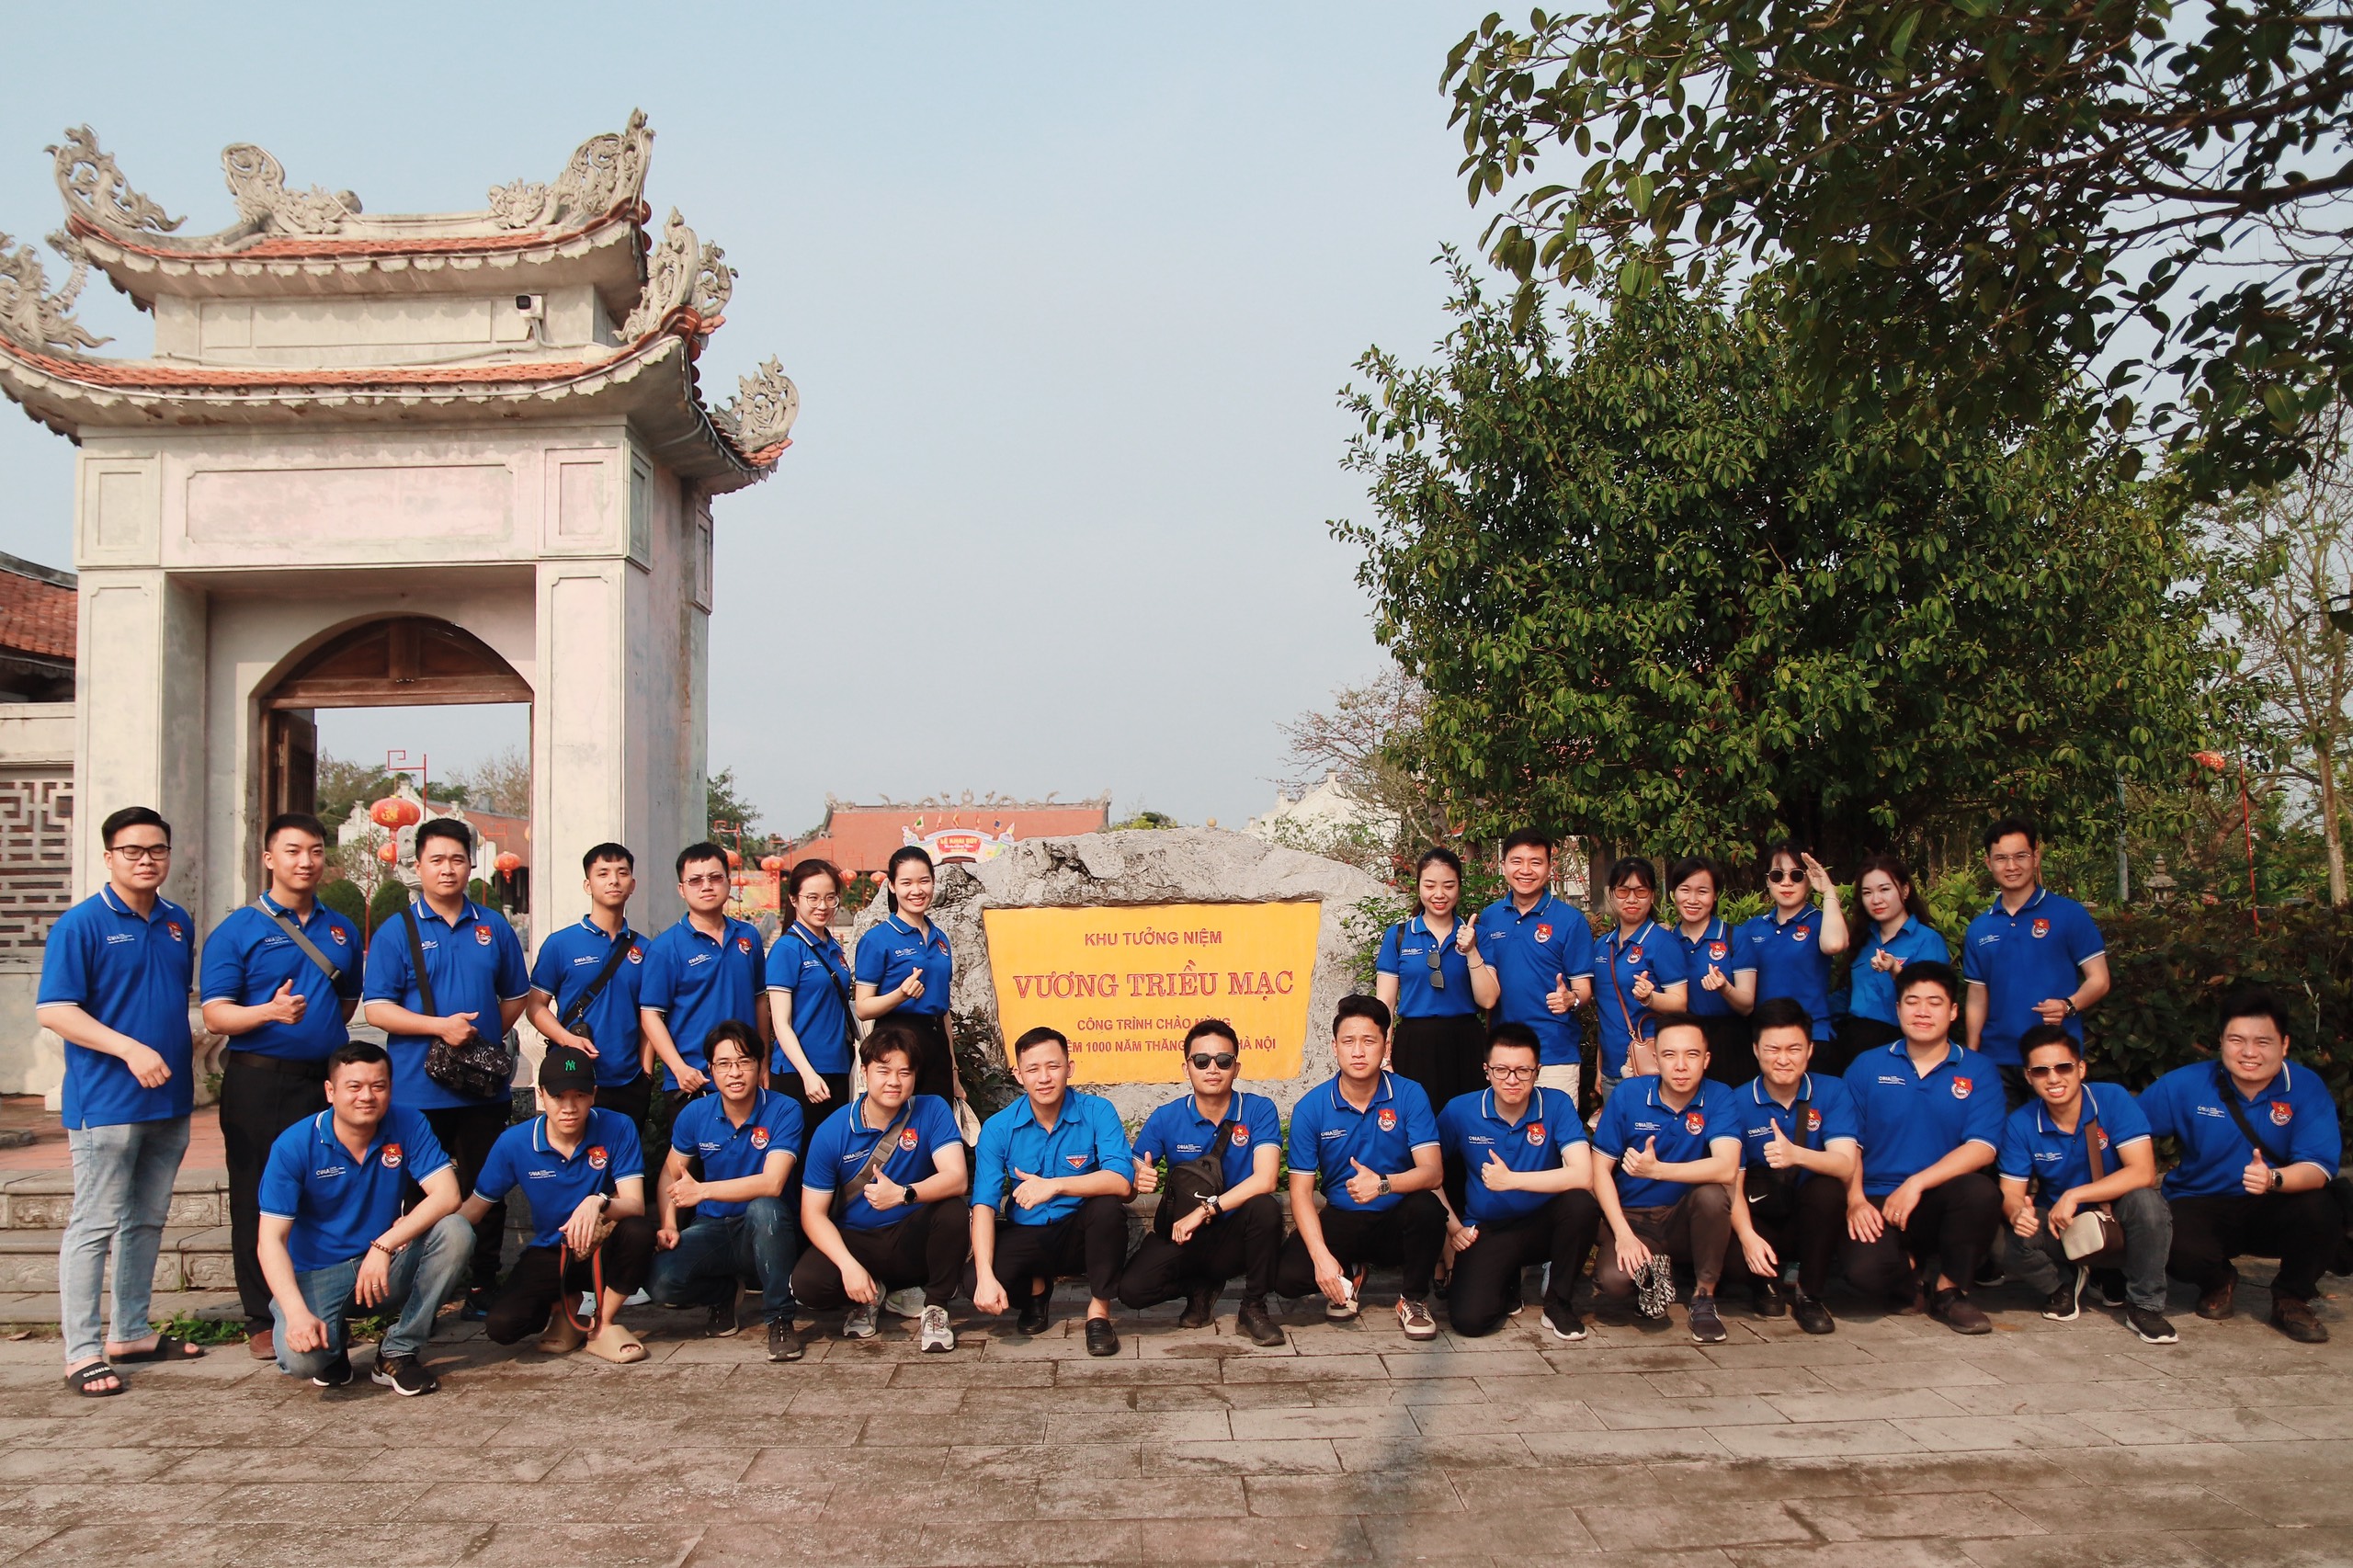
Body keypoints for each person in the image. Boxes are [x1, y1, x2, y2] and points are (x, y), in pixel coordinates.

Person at [40, 806, 203, 1396]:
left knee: (147, 1219)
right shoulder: (80, 925)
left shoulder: (177, 921)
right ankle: (81, 1351)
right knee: (95, 1222)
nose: (145, 860)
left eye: (156, 850)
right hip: (106, 1101)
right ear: (109, 856)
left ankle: (131, 1331)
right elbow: (55, 1011)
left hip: (170, 1098)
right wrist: (129, 1049)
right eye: (132, 851)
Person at [198, 810, 363, 1358]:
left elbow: (345, 1002)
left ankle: (321, 1300)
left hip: (324, 1084)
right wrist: (268, 1013)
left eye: (315, 851)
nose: (305, 861)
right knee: (257, 1196)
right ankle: (259, 1315)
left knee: (323, 1190)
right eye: (292, 851)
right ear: (269, 858)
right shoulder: (238, 930)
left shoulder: (341, 928)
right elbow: (216, 1015)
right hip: (259, 1083)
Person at [358, 817, 531, 1311]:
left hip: (482, 1089)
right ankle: (421, 1291)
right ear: (418, 867)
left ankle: (482, 1283)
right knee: (419, 1193)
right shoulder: (398, 931)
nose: (447, 869)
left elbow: (516, 995)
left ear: (470, 864)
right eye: (436, 860)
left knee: (487, 1186)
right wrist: (441, 1029)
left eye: (457, 859)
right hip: (417, 1090)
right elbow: (377, 1009)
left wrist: (480, 1041)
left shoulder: (492, 925)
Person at [256, 1041, 473, 1395]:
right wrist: (296, 1313)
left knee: (456, 1231)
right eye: (354, 1086)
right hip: (317, 1273)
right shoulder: (294, 1145)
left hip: (383, 1266)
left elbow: (448, 1194)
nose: (367, 1096)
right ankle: (333, 1344)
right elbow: (270, 1241)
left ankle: (398, 1351)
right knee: (303, 1361)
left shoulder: (407, 1121)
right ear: (330, 1091)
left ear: (390, 1088)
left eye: (378, 1086)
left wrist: (384, 1245)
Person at [2140, 986, 2345, 1344]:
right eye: (2237, 1040)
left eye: (2263, 1042)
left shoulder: (2306, 1087)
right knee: (2166, 1236)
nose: (2249, 1052)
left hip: (2273, 1203)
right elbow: (2126, 1132)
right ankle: (2218, 1280)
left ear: (2284, 1044)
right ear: (2220, 1042)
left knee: (2321, 1208)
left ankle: (2292, 1297)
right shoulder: (2186, 1083)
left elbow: (2318, 1168)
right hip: (2201, 1200)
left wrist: (2273, 1178)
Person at [1840, 961, 2004, 1334]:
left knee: (1980, 1192)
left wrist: (1916, 1184)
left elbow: (1982, 1147)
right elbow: (1847, 1144)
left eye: (1934, 1002)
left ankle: (1950, 1290)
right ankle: (1910, 1275)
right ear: (1898, 1009)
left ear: (1953, 1011)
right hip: (1877, 1197)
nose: (1923, 1012)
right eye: (1912, 1002)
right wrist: (1855, 1200)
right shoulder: (1867, 1066)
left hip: (1940, 1198)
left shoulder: (1978, 1070)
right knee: (1863, 1273)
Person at [463, 1049, 654, 1364]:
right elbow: (474, 1208)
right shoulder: (514, 1142)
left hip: (602, 1246)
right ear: (541, 1096)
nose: (569, 1107)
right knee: (502, 1326)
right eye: (558, 1096)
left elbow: (635, 1205)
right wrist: (421, 1231)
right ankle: (566, 1307)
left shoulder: (618, 1127)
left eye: (579, 1095)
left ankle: (603, 1323)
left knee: (639, 1232)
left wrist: (598, 1202)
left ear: (594, 1095)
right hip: (553, 1249)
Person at [792, 1021, 970, 1353]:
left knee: (953, 1213)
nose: (894, 1081)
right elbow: (812, 1214)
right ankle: (870, 1292)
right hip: (857, 1239)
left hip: (910, 1235)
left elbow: (957, 1178)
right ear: (864, 1072)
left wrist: (903, 1194)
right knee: (807, 1285)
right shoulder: (832, 1131)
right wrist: (848, 1266)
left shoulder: (932, 1109)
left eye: (904, 1072)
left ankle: (936, 1306)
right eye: (884, 1071)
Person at [1276, 995, 1447, 1339]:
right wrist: (1321, 1257)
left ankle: (1412, 1298)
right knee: (1287, 1278)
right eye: (1348, 1041)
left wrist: (1383, 1183)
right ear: (1334, 1047)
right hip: (1343, 1219)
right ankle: (1348, 1273)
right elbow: (1301, 1194)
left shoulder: (1409, 1095)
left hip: (1397, 1218)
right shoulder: (1312, 1107)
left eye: (1369, 1041)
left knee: (1428, 1209)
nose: (1358, 1052)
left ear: (1386, 1047)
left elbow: (1433, 1173)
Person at [1996, 1024, 2175, 1344]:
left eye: (2063, 1067)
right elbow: (2011, 1193)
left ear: (2081, 1068)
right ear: (2028, 1076)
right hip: (2063, 1225)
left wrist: (2075, 1195)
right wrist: (2016, 1213)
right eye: (2041, 1071)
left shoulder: (2112, 1098)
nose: (2053, 1078)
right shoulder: (2020, 1122)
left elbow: (2143, 1172)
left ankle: (2145, 1305)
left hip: (2116, 1217)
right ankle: (2062, 1283)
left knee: (2147, 1203)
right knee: (2002, 1238)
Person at [1120, 1019, 1287, 1347]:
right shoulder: (1167, 1116)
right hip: (1184, 1234)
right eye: (1201, 1060)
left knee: (1265, 1208)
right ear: (1187, 1068)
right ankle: (1199, 1287)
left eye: (1223, 1060)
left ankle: (1253, 1307)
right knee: (1132, 1290)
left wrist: (1206, 1209)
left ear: (1236, 1067)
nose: (1212, 1069)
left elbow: (1266, 1179)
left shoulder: (1258, 1110)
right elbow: (1135, 1164)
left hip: (1234, 1233)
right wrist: (1138, 1175)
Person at [970, 1027, 1134, 1355]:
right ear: (1019, 1075)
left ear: (1069, 1068)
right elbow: (984, 1205)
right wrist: (985, 1276)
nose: (1044, 1078)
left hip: (1078, 1230)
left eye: (1053, 1066)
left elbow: (1120, 1180)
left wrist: (1054, 1185)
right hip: (1028, 1232)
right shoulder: (998, 1128)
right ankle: (1037, 1289)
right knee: (974, 1281)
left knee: (1107, 1209)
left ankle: (1098, 1314)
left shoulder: (1097, 1111)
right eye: (1033, 1069)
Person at [649, 1021, 804, 1361]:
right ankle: (723, 1292)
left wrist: (703, 1191)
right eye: (723, 1064)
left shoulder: (784, 1109)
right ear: (710, 1070)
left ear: (760, 1065)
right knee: (660, 1281)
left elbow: (772, 1182)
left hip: (766, 1229)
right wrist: (669, 1223)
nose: (734, 1073)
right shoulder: (695, 1113)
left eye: (744, 1062)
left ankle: (780, 1319)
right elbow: (669, 1175)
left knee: (765, 1207)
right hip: (714, 1228)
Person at [1436, 1023, 1602, 1341]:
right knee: (1470, 1320)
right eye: (1501, 1070)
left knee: (1581, 1204)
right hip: (1487, 1227)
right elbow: (1428, 1172)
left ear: (1537, 1071)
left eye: (1523, 1071)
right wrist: (1453, 1228)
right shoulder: (1460, 1110)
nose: (1512, 1080)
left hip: (1543, 1224)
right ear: (1486, 1071)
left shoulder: (1556, 1105)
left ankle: (1558, 1302)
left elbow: (1583, 1174)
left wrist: (1512, 1180)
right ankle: (1507, 1279)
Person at [1589, 1021, 1741, 1342]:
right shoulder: (1629, 1094)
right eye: (1670, 1055)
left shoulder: (1720, 1096)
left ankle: (1704, 1297)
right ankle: (1654, 1270)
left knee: (1712, 1195)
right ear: (1656, 1059)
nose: (1681, 1065)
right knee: (1614, 1281)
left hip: (1684, 1219)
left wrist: (1657, 1170)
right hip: (1634, 1217)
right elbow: (1599, 1169)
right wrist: (1623, 1235)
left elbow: (1727, 1168)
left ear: (1706, 1059)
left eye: (1692, 1055)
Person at [1722, 999, 1859, 1335]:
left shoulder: (1833, 1091)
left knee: (1828, 1190)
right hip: (1758, 1212)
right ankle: (1764, 1282)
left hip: (1809, 1216)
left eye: (1794, 1049)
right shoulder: (1735, 1101)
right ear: (1756, 1050)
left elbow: (1845, 1164)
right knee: (1734, 1262)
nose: (1783, 1059)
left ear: (1810, 1050)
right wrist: (1747, 1237)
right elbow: (1730, 1180)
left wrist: (1796, 1154)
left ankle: (1809, 1295)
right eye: (1773, 1049)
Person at [1961, 816, 2110, 1108]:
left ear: (2036, 856)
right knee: (2000, 1136)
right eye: (2001, 858)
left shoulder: (2069, 914)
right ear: (1988, 863)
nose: (2011, 866)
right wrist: (1972, 1055)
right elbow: (1977, 997)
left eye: (2020, 856)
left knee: (2059, 1135)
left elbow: (2100, 979)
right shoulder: (1979, 928)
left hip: (2055, 1059)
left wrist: (2069, 1005)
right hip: (1997, 1061)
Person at [639, 842, 768, 1163]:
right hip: (693, 1081)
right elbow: (651, 1016)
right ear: (681, 889)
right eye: (695, 880)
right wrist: (678, 1068)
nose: (706, 886)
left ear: (728, 882)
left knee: (746, 1167)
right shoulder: (666, 947)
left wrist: (763, 1063)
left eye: (715, 877)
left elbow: (759, 1003)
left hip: (744, 1076)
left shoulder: (748, 937)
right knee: (688, 1171)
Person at [524, 843, 651, 1165]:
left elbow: (650, 1015)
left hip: (629, 1079)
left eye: (622, 873)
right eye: (603, 873)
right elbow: (535, 1006)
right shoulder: (560, 944)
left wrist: (646, 1071)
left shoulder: (645, 949)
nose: (614, 880)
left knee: (622, 1166)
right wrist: (566, 1039)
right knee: (573, 1161)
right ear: (587, 884)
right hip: (573, 1075)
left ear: (632, 885)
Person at [1375, 847, 1500, 1113]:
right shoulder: (1398, 936)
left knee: (1468, 1124)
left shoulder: (1478, 935)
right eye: (1430, 885)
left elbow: (1488, 999)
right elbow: (1385, 1002)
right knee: (1417, 1122)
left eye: (1449, 886)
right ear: (1418, 887)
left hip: (1466, 1044)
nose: (1439, 894)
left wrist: (1471, 950)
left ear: (1459, 887)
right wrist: (1384, 1055)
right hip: (1414, 1045)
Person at [1472, 830, 1595, 1098]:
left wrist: (1571, 999)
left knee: (1553, 1125)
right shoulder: (1490, 917)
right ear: (1503, 865)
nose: (1525, 870)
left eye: (1536, 862)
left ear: (1550, 868)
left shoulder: (1570, 921)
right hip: (1503, 1057)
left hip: (1554, 1055)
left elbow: (1584, 989)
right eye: (1517, 861)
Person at [853, 846, 966, 1106]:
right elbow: (863, 1008)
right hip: (895, 1045)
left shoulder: (941, 939)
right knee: (899, 1124)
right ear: (892, 886)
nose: (917, 890)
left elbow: (943, 1011)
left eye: (924, 881)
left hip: (936, 1045)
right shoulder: (876, 939)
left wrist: (953, 1071)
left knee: (936, 1122)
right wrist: (900, 995)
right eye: (906, 883)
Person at [1729, 844, 1847, 1055]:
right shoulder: (1752, 927)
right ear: (1767, 880)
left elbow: (1834, 944)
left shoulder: (1820, 921)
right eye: (1777, 875)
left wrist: (1829, 891)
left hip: (1811, 1036)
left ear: (1809, 879)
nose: (1786, 882)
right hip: (1765, 1039)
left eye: (1796, 875)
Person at [1838, 854, 1948, 1078]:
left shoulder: (1927, 940)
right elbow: (1847, 994)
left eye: (1884, 889)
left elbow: (1933, 998)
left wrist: (1895, 970)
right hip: (1853, 1043)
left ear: (1905, 891)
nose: (1876, 899)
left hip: (1901, 1045)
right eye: (1867, 893)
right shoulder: (1862, 940)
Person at [767, 859, 858, 1129]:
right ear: (794, 899)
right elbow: (780, 1023)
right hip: (798, 1073)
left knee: (833, 1150)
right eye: (813, 898)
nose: (823, 906)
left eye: (830, 898)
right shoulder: (787, 949)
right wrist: (807, 1074)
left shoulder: (834, 948)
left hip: (838, 1067)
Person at [1592, 856, 1689, 1096]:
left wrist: (1650, 998)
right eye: (1623, 891)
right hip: (1611, 1070)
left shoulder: (1662, 942)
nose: (1631, 899)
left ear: (1652, 895)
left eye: (1641, 891)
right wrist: (1599, 1068)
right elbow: (1606, 1012)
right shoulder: (1602, 946)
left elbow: (1680, 1002)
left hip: (1651, 1067)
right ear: (1612, 894)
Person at [1666, 857, 1752, 1084]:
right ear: (1673, 893)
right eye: (1685, 890)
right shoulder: (1666, 941)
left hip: (1730, 1043)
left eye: (1702, 891)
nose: (1692, 899)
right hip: (1683, 1042)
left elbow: (1747, 1005)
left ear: (1715, 896)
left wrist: (1725, 988)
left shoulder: (1735, 937)